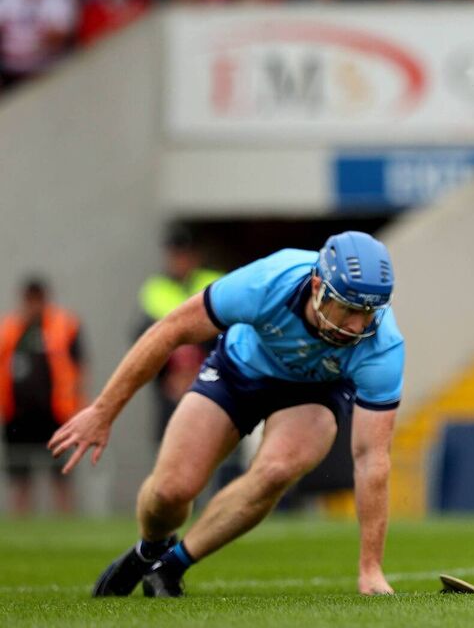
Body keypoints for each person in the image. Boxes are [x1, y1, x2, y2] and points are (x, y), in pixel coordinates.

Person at [49, 231, 405, 597]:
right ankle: (150, 550)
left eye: (368, 312)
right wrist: (103, 411)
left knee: (277, 469)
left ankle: (172, 566)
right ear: (318, 287)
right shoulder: (269, 281)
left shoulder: (382, 346)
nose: (357, 326)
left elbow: (371, 458)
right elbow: (170, 331)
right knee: (170, 492)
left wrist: (371, 569)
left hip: (316, 391)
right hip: (239, 369)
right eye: (348, 308)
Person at [1, 277, 85, 515]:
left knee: (61, 475)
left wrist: (79, 404)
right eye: (30, 300)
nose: (34, 306)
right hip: (17, 416)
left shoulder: (64, 325)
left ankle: (66, 520)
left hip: (55, 413)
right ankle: (21, 522)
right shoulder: (10, 329)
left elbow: (80, 365)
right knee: (20, 478)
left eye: (38, 300)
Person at [136, 226, 223, 439]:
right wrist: (168, 375)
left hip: (212, 379)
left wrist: (200, 368)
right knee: (171, 439)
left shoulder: (215, 281)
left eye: (185, 254)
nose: (180, 260)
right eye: (175, 254)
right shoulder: (155, 288)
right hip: (171, 385)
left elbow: (230, 333)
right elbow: (142, 338)